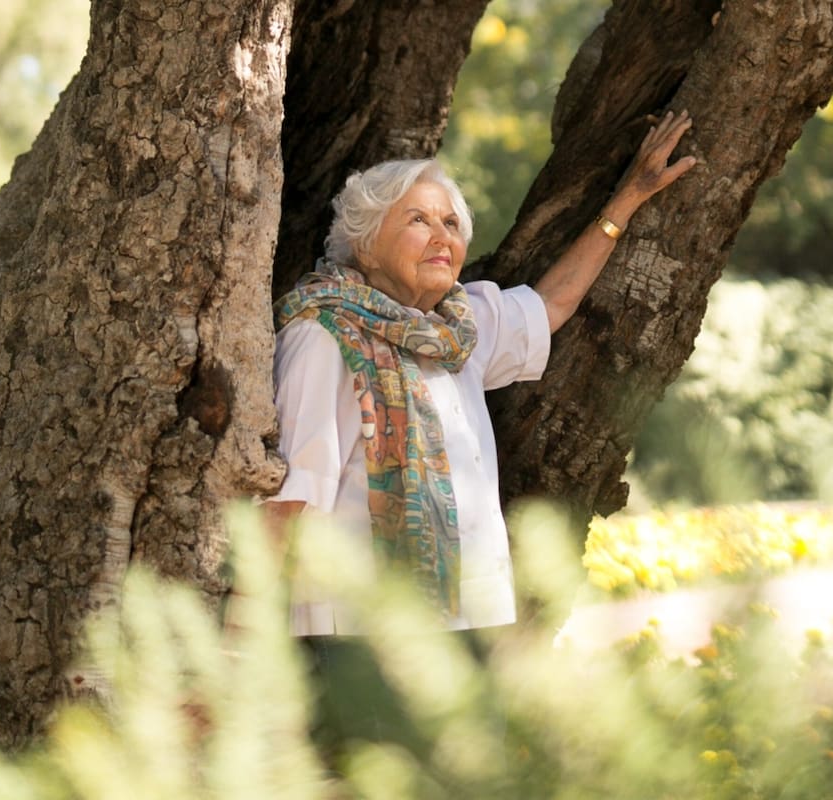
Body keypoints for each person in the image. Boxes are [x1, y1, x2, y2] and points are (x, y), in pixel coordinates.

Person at [266, 110, 695, 753]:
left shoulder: (457, 329)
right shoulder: (322, 336)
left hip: (468, 625)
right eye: (417, 219)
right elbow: (291, 500)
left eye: (451, 223)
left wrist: (627, 199)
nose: (443, 236)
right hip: (361, 637)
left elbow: (550, 305)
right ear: (364, 242)